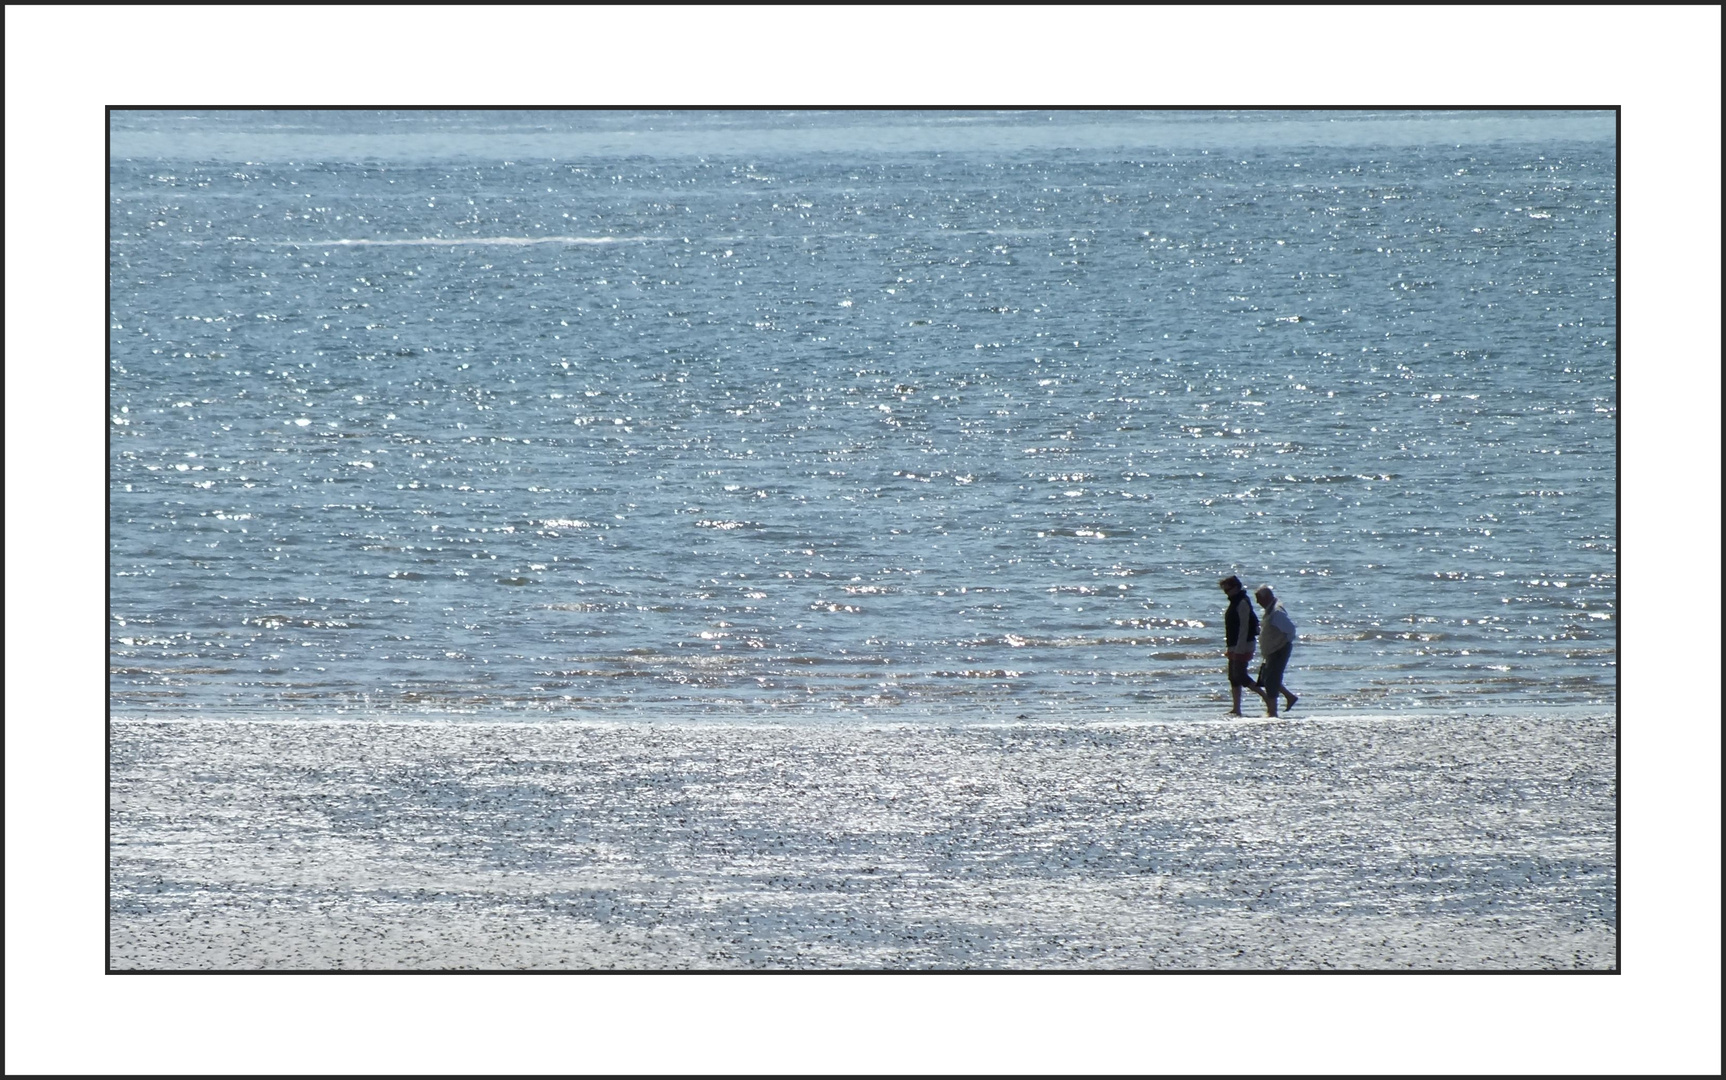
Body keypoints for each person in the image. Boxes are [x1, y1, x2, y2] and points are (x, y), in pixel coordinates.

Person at [1218, 575, 1264, 716]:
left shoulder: (1242, 602)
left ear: (1237, 588)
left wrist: (1239, 648)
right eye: (1225, 591)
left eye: (1229, 590)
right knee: (1233, 677)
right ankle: (1236, 708)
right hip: (1234, 645)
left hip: (1243, 645)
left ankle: (1267, 698)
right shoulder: (1235, 601)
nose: (1227, 593)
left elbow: (1244, 627)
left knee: (1241, 676)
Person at [1253, 585, 1299, 717]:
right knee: (1266, 677)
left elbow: (1290, 630)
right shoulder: (1269, 611)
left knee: (1271, 679)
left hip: (1278, 649)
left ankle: (1272, 711)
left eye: (1259, 599)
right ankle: (1289, 697)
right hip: (1271, 649)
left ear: (1267, 597)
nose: (1257, 602)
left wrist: (1281, 644)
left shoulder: (1277, 612)